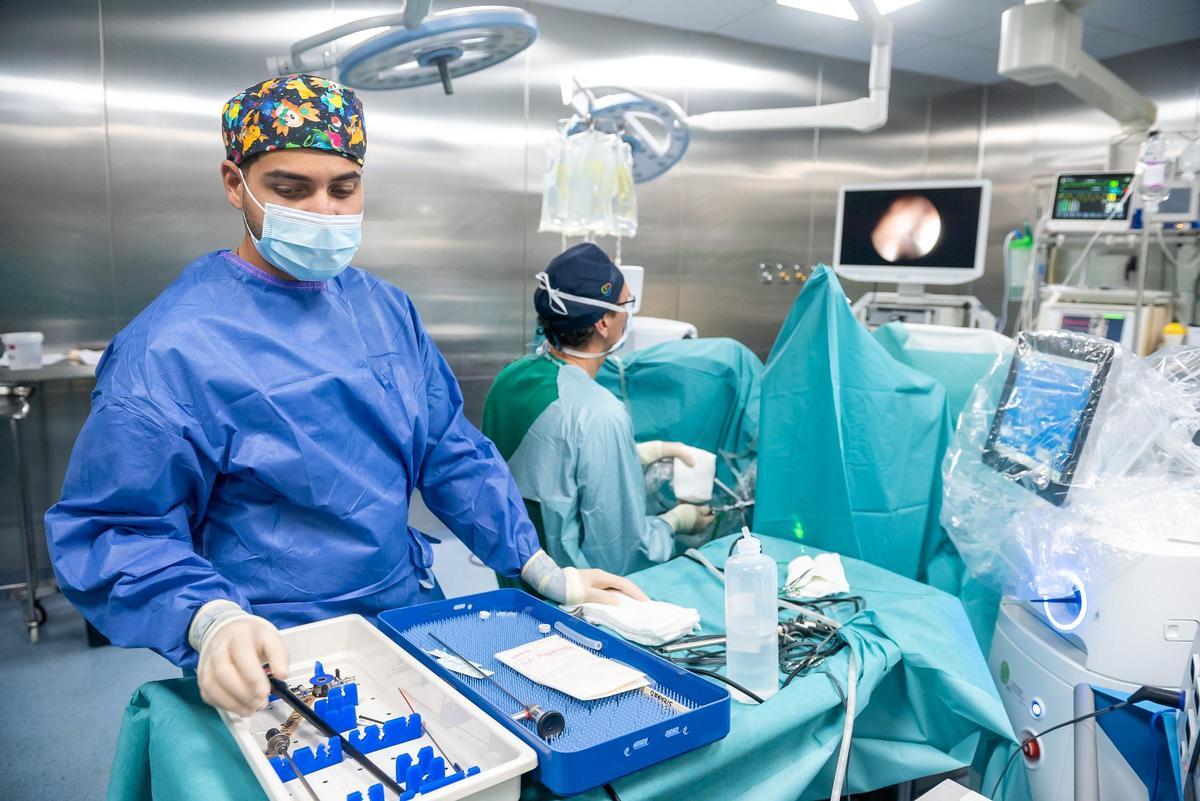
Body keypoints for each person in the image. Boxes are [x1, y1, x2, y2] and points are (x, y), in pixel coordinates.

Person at [44, 74, 644, 719]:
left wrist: (539, 566)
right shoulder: (171, 347)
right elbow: (117, 526)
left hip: (407, 614)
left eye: (343, 188)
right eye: (290, 190)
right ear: (234, 183)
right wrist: (208, 620)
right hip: (273, 650)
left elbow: (448, 450)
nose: (323, 212)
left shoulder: (384, 310)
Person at [482, 243, 714, 577]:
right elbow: (620, 553)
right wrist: (675, 522)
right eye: (626, 304)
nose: (629, 315)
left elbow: (550, 468)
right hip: (574, 595)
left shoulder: (511, 377)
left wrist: (640, 455)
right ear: (603, 322)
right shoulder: (599, 413)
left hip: (517, 579)